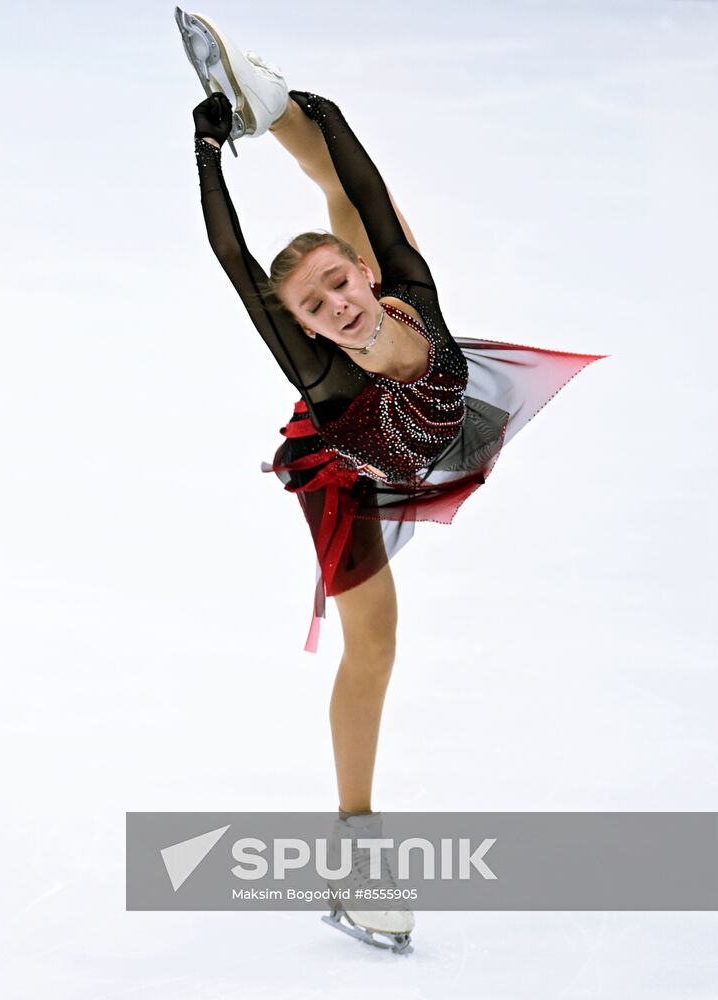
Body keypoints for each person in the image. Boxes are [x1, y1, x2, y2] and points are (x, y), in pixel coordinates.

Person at [176, 8, 607, 952]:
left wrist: (315, 111)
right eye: (316, 308)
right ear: (307, 329)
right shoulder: (321, 367)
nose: (337, 303)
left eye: (342, 284)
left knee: (356, 195)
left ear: (368, 279)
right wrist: (207, 157)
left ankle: (269, 96)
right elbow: (238, 264)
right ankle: (356, 859)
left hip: (434, 427)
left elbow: (362, 191)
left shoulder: (404, 285)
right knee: (373, 652)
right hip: (344, 468)